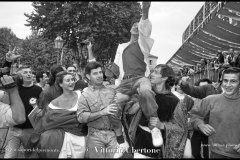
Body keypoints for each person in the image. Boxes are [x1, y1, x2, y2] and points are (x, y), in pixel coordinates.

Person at [113, 1, 163, 149]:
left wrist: (145, 11)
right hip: (125, 83)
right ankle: (121, 141)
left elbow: (145, 28)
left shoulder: (143, 44)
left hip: (140, 78)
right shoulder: (121, 47)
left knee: (147, 91)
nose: (136, 26)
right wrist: (117, 85)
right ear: (129, 30)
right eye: (133, 25)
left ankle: (154, 127)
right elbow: (116, 69)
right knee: (110, 107)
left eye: (138, 25)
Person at [133, 64, 193, 158]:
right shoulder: (145, 91)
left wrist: (162, 125)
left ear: (165, 77)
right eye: (152, 71)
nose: (152, 74)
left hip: (161, 144)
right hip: (142, 139)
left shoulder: (175, 101)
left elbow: (181, 128)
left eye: (156, 72)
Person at [26, 71, 88, 158]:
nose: (71, 82)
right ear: (61, 84)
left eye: (72, 79)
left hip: (81, 138)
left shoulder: (81, 95)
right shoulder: (53, 104)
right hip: (62, 141)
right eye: (68, 80)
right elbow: (47, 123)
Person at [77, 61, 129, 158]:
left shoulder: (112, 90)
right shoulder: (85, 95)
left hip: (113, 135)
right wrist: (102, 112)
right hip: (95, 136)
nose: (99, 75)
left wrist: (125, 99)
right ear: (88, 76)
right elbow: (80, 117)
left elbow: (123, 108)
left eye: (100, 72)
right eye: (95, 73)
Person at [190, 67, 240, 158]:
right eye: (225, 81)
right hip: (216, 153)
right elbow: (194, 115)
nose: (228, 85)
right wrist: (200, 124)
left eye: (233, 81)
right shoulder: (211, 100)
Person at [4, 65, 42, 158]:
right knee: (9, 156)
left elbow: (42, 108)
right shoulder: (15, 89)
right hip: (14, 129)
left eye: (30, 72)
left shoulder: (38, 89)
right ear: (20, 76)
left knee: (31, 156)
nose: (29, 74)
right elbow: (4, 78)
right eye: (25, 72)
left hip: (30, 130)